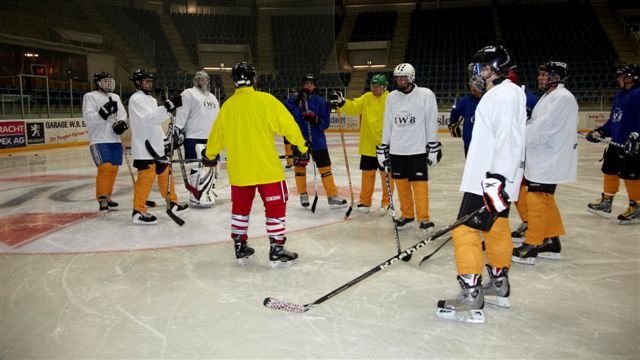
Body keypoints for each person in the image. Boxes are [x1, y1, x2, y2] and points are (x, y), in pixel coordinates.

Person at [436, 45, 526, 323]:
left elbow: (508, 138)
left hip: (488, 180)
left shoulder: (503, 95)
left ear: (494, 67)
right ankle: (499, 283)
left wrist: (496, 179)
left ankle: (471, 293)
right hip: (496, 178)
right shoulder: (504, 93)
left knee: (464, 231)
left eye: (480, 68)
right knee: (497, 227)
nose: (475, 74)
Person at [201, 62, 309, 267]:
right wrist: (301, 147)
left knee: (240, 208)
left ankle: (240, 246)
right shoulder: (265, 100)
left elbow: (216, 136)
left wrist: (209, 154)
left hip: (241, 171)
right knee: (275, 206)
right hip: (267, 169)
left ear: (234, 81)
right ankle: (276, 248)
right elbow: (288, 125)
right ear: (253, 78)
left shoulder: (228, 106)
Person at [511, 61, 579, 265]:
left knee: (538, 197)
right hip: (541, 156)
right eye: (540, 74)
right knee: (545, 198)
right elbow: (533, 123)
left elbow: (541, 128)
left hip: (550, 158)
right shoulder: (549, 96)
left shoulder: (562, 98)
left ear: (556, 77)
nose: (540, 78)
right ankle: (551, 240)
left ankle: (532, 244)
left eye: (544, 74)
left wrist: (516, 138)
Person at [376, 63, 440, 232]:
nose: (400, 80)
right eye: (398, 77)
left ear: (412, 77)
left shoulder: (425, 95)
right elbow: (388, 123)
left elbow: (430, 121)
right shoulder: (392, 97)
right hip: (397, 150)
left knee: (419, 186)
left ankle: (424, 219)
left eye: (403, 77)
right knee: (402, 185)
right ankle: (407, 215)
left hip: (417, 150)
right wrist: (384, 146)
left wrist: (433, 145)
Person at [128, 69, 189, 225]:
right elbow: (149, 119)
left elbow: (156, 125)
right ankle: (138, 211)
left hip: (156, 146)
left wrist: (164, 141)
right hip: (145, 147)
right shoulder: (136, 99)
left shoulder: (151, 100)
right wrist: (168, 107)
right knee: (146, 178)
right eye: (146, 81)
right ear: (138, 83)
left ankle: (172, 203)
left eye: (150, 81)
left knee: (165, 174)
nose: (149, 84)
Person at [329, 74, 392, 214]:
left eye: (377, 86)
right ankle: (365, 202)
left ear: (384, 87)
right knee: (367, 176)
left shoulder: (391, 99)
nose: (374, 89)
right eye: (372, 86)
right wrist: (342, 102)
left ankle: (387, 202)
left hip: (386, 146)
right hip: (368, 145)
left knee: (386, 176)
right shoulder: (367, 97)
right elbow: (354, 106)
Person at [586, 64, 640, 224]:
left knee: (631, 175)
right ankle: (606, 201)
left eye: (621, 76)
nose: (618, 79)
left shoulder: (638, 94)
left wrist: (637, 137)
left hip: (632, 144)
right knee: (609, 170)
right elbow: (614, 119)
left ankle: (636, 205)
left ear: (631, 77)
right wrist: (601, 132)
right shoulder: (620, 95)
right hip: (616, 143)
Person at [285, 74, 347, 209]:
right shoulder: (293, 100)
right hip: (299, 139)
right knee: (300, 168)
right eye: (306, 83)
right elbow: (287, 116)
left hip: (318, 140)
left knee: (325, 168)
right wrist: (298, 105)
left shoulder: (321, 101)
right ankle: (303, 194)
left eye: (311, 83)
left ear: (315, 86)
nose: (308, 86)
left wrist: (315, 120)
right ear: (302, 85)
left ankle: (332, 195)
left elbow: (325, 123)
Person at [83, 72, 129, 211]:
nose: (109, 83)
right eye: (105, 81)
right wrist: (103, 112)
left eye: (110, 81)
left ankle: (108, 196)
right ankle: (102, 197)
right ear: (97, 82)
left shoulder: (115, 97)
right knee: (105, 168)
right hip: (99, 139)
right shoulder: (90, 96)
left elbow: (122, 114)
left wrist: (121, 123)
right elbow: (89, 119)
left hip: (114, 139)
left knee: (113, 169)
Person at [174, 70, 220, 208]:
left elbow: (217, 117)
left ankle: (208, 190)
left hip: (211, 138)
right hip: (194, 136)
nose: (204, 81)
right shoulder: (189, 93)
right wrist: (178, 129)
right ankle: (195, 194)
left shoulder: (212, 96)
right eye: (201, 79)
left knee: (212, 167)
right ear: (196, 81)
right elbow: (182, 113)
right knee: (197, 166)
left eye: (206, 79)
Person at [506, 64, 540, 242]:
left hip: (527, 152)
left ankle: (533, 222)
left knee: (526, 188)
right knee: (516, 188)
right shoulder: (501, 97)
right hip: (512, 150)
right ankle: (529, 221)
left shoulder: (530, 99)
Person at [448, 64, 485, 157]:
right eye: (471, 89)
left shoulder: (489, 99)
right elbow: (455, 112)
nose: (472, 91)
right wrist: (453, 123)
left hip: (486, 143)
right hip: (469, 142)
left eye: (475, 90)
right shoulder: (465, 100)